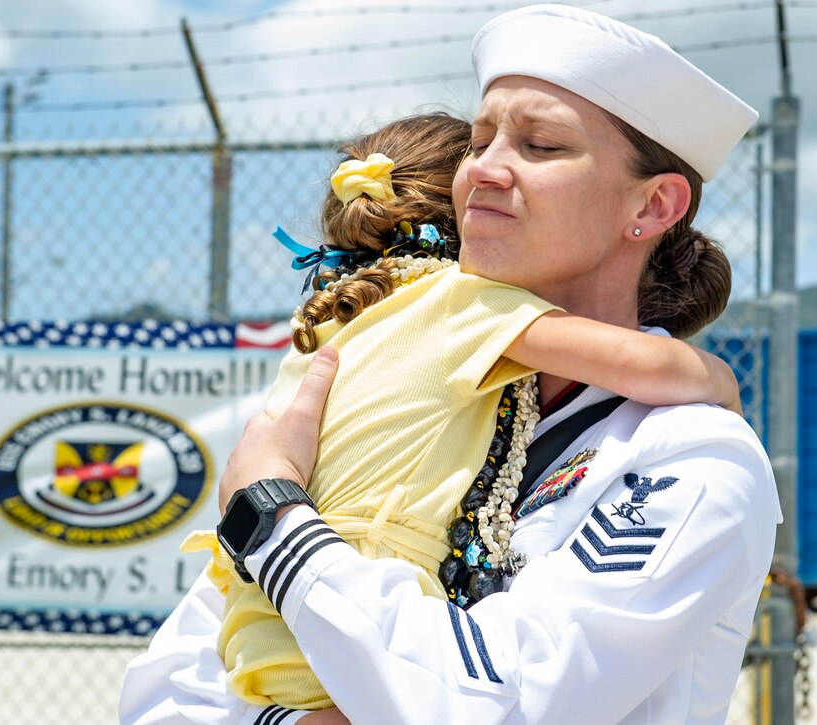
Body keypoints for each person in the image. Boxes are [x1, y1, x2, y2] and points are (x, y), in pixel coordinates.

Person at [120, 5, 781, 724]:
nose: (486, 170)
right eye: (480, 139)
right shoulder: (391, 389)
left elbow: (499, 701)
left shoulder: (689, 455)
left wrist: (276, 522)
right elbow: (165, 690)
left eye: (541, 146)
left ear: (654, 204)